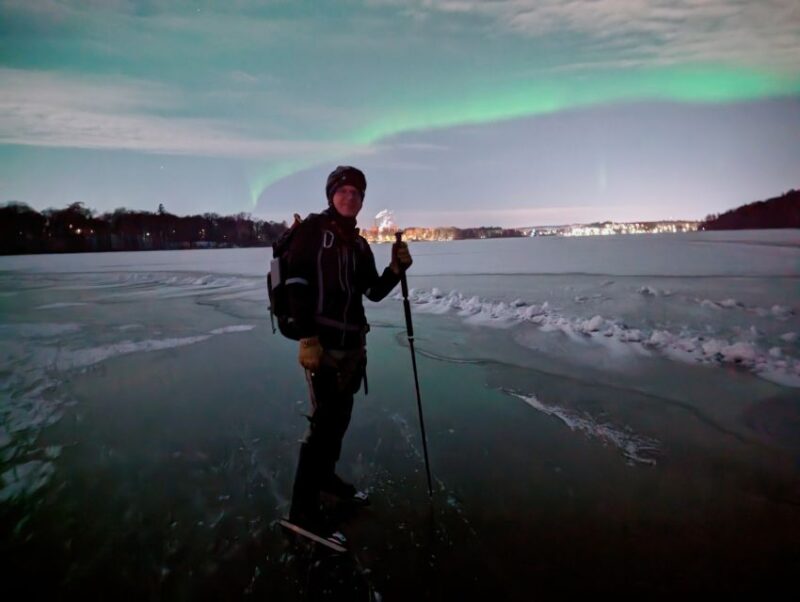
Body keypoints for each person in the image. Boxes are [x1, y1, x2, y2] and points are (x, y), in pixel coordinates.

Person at [286, 165, 412, 533]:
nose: (350, 198)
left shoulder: (358, 245)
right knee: (323, 427)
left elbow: (371, 291)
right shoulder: (312, 231)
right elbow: (296, 282)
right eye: (343, 191)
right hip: (321, 349)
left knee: (338, 421)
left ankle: (325, 478)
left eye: (356, 193)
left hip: (353, 348)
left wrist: (395, 269)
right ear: (331, 195)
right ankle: (302, 510)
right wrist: (307, 338)